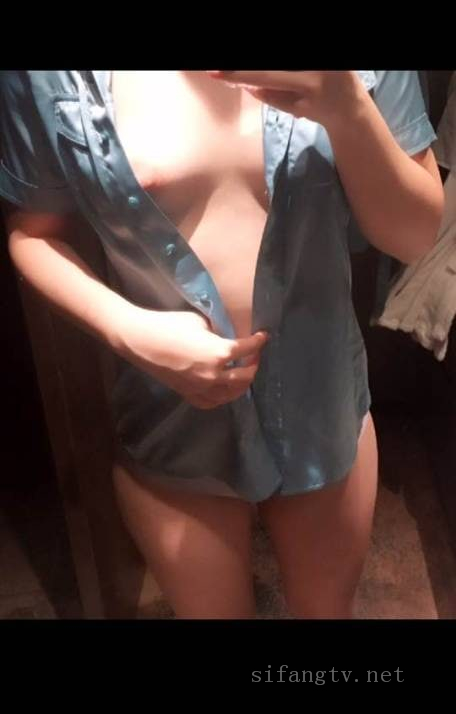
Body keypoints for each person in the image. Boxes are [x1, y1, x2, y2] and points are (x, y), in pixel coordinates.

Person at [0, 70, 443, 618]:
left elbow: (414, 236)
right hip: (170, 412)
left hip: (320, 397)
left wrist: (346, 105)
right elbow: (33, 233)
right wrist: (127, 329)